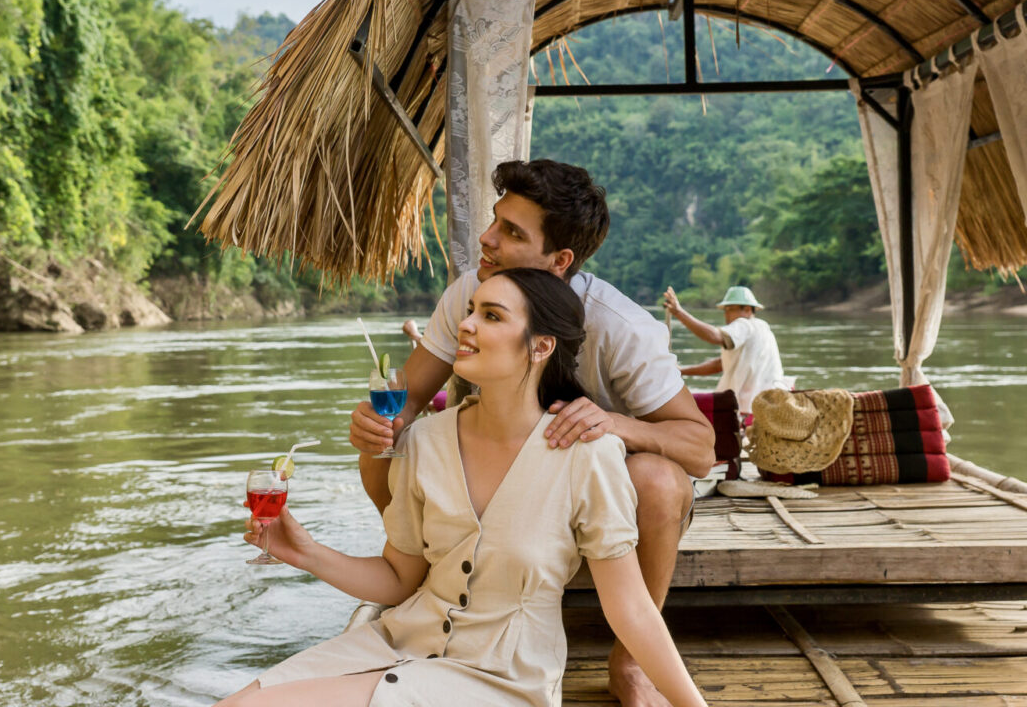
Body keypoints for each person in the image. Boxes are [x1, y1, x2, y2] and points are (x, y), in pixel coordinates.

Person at [215, 269, 709, 707]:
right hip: (397, 642)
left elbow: (632, 610)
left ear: (540, 347)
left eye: (491, 316)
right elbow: (398, 579)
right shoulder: (424, 441)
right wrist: (304, 552)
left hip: (502, 677)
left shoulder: (587, 455)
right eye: (470, 310)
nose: (467, 323)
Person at [350, 159, 714, 707]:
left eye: (512, 233)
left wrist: (613, 423)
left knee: (662, 481)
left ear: (560, 260)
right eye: (495, 220)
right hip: (501, 472)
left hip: (591, 480)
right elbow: (406, 401)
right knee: (390, 449)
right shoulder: (471, 296)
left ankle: (633, 661)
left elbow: (701, 448)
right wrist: (377, 422)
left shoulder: (622, 327)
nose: (487, 239)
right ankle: (421, 580)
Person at [662, 285, 788, 417]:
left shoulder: (744, 324)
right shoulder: (763, 328)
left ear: (747, 309)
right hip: (770, 402)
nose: (726, 315)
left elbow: (714, 336)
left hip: (748, 407)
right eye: (725, 310)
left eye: (730, 309)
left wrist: (678, 312)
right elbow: (719, 364)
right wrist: (681, 371)